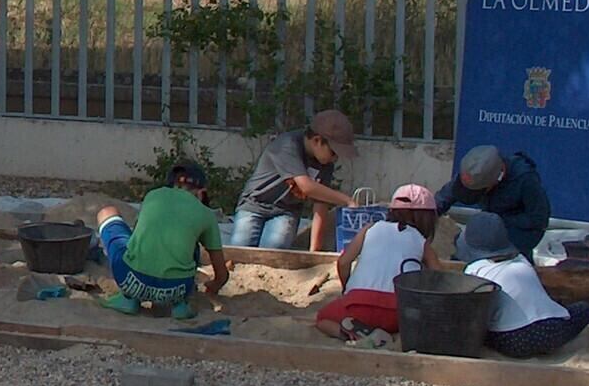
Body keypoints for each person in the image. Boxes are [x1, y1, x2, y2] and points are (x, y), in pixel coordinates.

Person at [95, 162, 228, 320]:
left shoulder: (153, 195)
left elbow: (136, 237)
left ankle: (128, 299)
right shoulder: (206, 214)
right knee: (192, 243)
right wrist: (212, 287)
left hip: (131, 281)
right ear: (201, 193)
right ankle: (179, 306)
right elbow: (221, 274)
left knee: (107, 212)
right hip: (176, 290)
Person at [315, 184, 444, 345]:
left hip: (358, 304)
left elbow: (343, 262)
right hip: (398, 312)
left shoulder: (370, 229)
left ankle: (349, 335)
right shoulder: (420, 241)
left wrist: (346, 287)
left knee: (322, 319)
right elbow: (439, 276)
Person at [461, 212, 589, 358]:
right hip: (552, 330)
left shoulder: (475, 270)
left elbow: (472, 309)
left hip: (513, 339)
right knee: (584, 308)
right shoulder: (521, 259)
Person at [230, 110, 359, 251]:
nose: (334, 159)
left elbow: (321, 204)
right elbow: (306, 187)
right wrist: (346, 200)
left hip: (285, 211)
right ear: (317, 140)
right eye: (333, 152)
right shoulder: (287, 144)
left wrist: (314, 250)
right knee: (239, 249)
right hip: (253, 205)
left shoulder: (325, 163)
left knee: (275, 249)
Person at [437, 145, 551, 258]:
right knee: (461, 251)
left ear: (497, 180)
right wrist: (426, 214)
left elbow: (538, 219)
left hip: (519, 231)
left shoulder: (525, 179)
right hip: (490, 223)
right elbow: (444, 197)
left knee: (499, 262)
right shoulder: (473, 171)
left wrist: (501, 221)